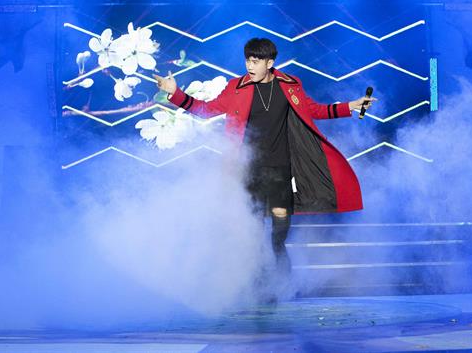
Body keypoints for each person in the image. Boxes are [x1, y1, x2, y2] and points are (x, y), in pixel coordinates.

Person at [154, 37, 376, 285]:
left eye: (256, 61)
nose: (250, 66)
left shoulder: (290, 85)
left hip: (280, 166)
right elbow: (206, 109)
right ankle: (259, 279)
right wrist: (174, 93)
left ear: (269, 63)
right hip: (247, 166)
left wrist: (350, 106)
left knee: (280, 224)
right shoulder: (236, 87)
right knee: (255, 226)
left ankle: (279, 266)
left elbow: (314, 110)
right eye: (248, 61)